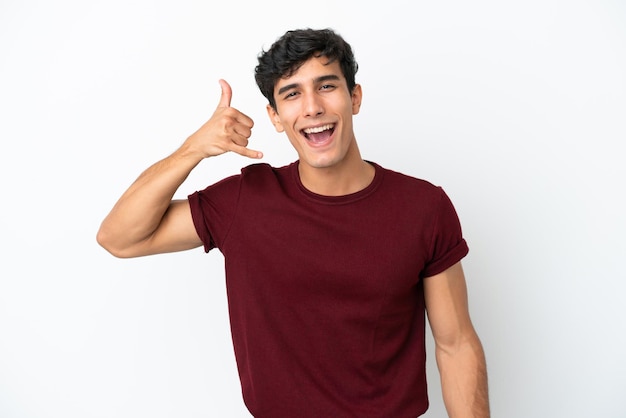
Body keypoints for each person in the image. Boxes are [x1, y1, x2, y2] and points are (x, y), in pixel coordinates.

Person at [97, 28, 489, 418]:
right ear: (275, 116)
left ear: (355, 98)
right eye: (292, 93)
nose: (312, 107)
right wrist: (193, 149)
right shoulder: (244, 201)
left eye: (327, 86)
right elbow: (120, 237)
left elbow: (456, 344)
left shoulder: (422, 206)